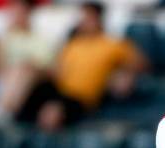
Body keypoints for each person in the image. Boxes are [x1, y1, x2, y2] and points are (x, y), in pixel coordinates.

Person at [16, 2, 149, 131]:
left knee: (53, 111)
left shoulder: (113, 44)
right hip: (59, 91)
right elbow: (57, 69)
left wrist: (124, 73)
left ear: (98, 19)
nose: (83, 21)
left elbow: (141, 64)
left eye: (87, 17)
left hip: (82, 99)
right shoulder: (73, 45)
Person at [0, 0, 55, 123]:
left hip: (32, 83)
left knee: (21, 70)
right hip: (3, 80)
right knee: (15, 71)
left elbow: (51, 71)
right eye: (13, 12)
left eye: (19, 12)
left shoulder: (40, 39)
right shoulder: (4, 38)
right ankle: (1, 113)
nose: (16, 16)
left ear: (28, 13)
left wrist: (28, 66)